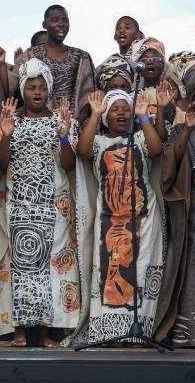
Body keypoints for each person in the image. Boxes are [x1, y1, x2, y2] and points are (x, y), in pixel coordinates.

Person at [0, 58, 79, 347]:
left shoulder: (61, 121)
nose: (37, 92)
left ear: (49, 89)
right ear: (22, 90)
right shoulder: (12, 121)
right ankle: (20, 331)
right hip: (20, 205)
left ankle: (49, 332)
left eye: (41, 87)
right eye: (31, 87)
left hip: (53, 205)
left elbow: (70, 163)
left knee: (53, 267)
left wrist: (64, 135)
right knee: (21, 268)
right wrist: (6, 136)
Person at [72, 89, 164, 345]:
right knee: (109, 277)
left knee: (141, 273)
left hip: (143, 222)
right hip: (109, 222)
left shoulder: (139, 138)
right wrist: (96, 113)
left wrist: (144, 117)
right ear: (106, 117)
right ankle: (109, 335)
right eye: (115, 109)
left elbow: (156, 151)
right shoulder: (100, 143)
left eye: (126, 108)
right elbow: (83, 150)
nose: (121, 112)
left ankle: (138, 336)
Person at [154, 70, 195, 346]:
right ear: (194, 99)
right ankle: (192, 334)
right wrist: (189, 128)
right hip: (193, 216)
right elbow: (170, 164)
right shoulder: (182, 128)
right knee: (191, 270)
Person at [13, 5, 95, 119]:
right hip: (38, 128)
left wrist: (75, 125)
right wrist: (1, 65)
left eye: (65, 20)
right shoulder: (29, 55)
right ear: (44, 25)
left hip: (75, 128)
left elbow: (89, 96)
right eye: (55, 20)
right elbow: (12, 89)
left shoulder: (82, 57)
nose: (61, 24)